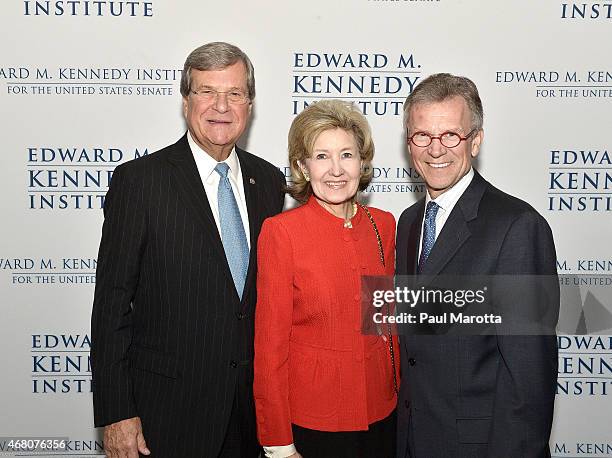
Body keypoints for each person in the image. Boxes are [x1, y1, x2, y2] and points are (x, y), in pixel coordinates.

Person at [91, 42, 285, 457]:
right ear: (185, 101)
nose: (221, 105)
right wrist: (117, 412)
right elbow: (111, 305)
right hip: (166, 416)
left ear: (249, 104)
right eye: (206, 92)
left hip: (252, 417)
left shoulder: (268, 182)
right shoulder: (140, 182)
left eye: (234, 93)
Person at [395, 73, 559, 458]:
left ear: (476, 140)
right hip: (414, 440)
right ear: (408, 143)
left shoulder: (518, 226)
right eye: (422, 136)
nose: (436, 149)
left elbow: (529, 377)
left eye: (451, 135)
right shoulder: (408, 223)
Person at [254, 100, 398, 458]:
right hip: (316, 422)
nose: (336, 170)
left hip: (383, 413)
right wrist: (279, 445)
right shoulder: (281, 232)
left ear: (362, 162)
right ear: (303, 166)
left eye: (346, 155)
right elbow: (269, 349)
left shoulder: (383, 224)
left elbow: (385, 323)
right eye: (321, 157)